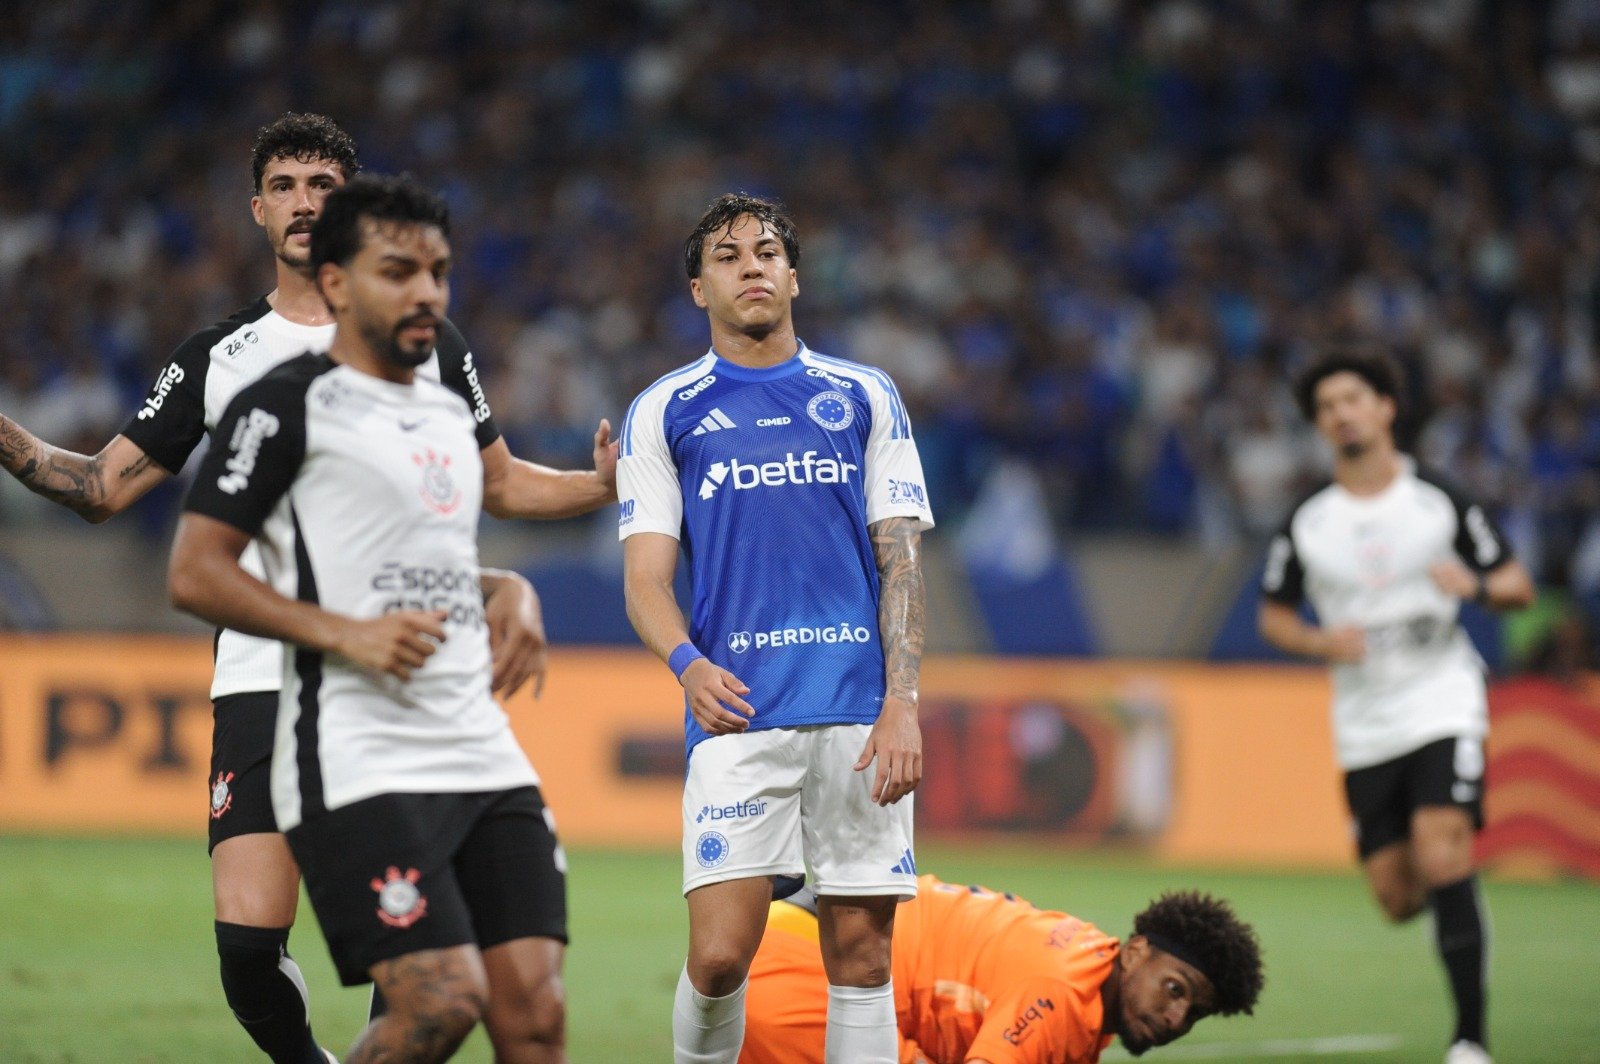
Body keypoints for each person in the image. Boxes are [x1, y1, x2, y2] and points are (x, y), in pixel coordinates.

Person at [0, 113, 612, 1062]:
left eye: (322, 185)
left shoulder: (428, 345)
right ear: (257, 209)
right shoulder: (226, 361)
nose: (302, 203)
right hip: (264, 673)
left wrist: (594, 494)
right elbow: (99, 488)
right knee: (250, 951)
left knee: (438, 979)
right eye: (284, 186)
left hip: (411, 678)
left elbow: (498, 484)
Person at [169, 173, 568, 1064]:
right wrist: (342, 632)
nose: (425, 292)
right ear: (340, 283)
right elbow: (194, 573)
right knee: (440, 1002)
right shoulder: (281, 404)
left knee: (535, 1017)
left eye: (438, 272)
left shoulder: (444, 414)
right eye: (399, 272)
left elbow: (435, 565)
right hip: (351, 741)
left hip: (474, 739)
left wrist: (509, 588)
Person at [617, 192, 934, 1064]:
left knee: (862, 956)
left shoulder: (863, 394)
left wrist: (903, 702)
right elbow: (645, 581)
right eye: (727, 256)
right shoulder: (665, 409)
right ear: (698, 289)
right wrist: (686, 664)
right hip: (739, 711)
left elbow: (902, 563)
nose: (750, 266)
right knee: (721, 957)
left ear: (794, 277)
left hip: (857, 715)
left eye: (767, 252)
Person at [1257, 347, 1534, 1064]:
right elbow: (1273, 615)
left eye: (1352, 399)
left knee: (1442, 846)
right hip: (1364, 720)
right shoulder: (1308, 521)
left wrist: (1477, 587)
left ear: (1385, 407)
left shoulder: (1440, 498)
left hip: (1442, 694)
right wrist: (1319, 642)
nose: (1340, 414)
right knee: (1396, 897)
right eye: (1326, 407)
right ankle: (1453, 895)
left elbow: (1517, 584)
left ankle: (1470, 1039)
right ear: (1319, 426)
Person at [740, 875, 1263, 1064]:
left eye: (1194, 1014)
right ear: (1136, 951)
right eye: (1175, 989)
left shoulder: (1087, 961)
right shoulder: (1061, 993)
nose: (1175, 1018)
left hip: (801, 941)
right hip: (803, 968)